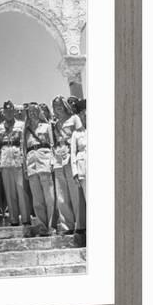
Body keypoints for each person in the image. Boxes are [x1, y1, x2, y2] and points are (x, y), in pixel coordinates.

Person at [0, 100, 29, 226]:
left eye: (10, 111)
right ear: (3, 113)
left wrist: (24, 159)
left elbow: (23, 143)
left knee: (21, 190)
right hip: (5, 161)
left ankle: (25, 218)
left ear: (14, 111)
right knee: (9, 192)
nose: (8, 113)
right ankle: (13, 219)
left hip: (18, 159)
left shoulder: (21, 125)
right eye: (6, 111)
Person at [22, 102, 56, 236]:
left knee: (49, 196)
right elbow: (23, 149)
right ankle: (42, 226)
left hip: (44, 160)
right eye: (30, 112)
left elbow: (52, 144)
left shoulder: (47, 127)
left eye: (35, 111)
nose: (33, 113)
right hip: (31, 163)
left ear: (39, 112)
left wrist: (52, 161)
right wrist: (25, 167)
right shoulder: (26, 130)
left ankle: (51, 225)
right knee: (37, 199)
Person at [52, 95, 84, 234]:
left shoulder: (74, 119)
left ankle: (81, 225)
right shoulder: (55, 124)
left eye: (60, 105)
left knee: (75, 192)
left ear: (65, 105)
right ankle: (67, 226)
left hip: (71, 156)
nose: (58, 108)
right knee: (61, 194)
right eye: (55, 106)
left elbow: (81, 136)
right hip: (59, 157)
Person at [70, 99, 87, 235]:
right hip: (83, 170)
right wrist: (75, 172)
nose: (85, 115)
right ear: (80, 115)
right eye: (83, 113)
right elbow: (73, 153)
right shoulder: (77, 133)